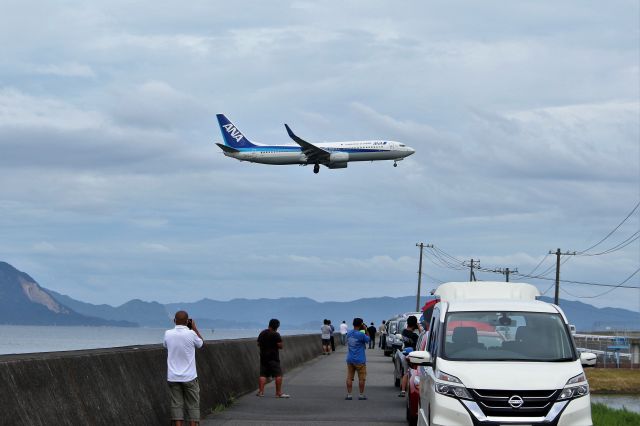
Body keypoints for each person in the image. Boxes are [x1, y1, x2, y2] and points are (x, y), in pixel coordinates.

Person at [163, 310, 204, 426]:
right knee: (193, 406)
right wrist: (194, 328)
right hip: (189, 377)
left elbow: (165, 345)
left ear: (174, 321)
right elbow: (201, 344)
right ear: (187, 321)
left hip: (173, 377)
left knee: (176, 406)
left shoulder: (167, 333)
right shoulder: (191, 334)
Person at [257, 318, 290, 398]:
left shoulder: (262, 333)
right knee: (278, 375)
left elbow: (258, 343)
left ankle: (261, 392)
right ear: (277, 326)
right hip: (273, 358)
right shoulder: (276, 334)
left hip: (264, 357)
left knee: (263, 375)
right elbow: (280, 346)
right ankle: (278, 393)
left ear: (269, 324)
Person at [345, 317, 370, 400]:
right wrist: (366, 329)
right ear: (361, 324)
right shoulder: (361, 334)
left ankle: (349, 395)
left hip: (350, 359)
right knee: (361, 378)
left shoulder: (348, 333)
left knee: (349, 377)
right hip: (360, 360)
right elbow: (368, 340)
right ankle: (361, 394)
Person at [398, 315, 420, 397]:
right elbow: (422, 337)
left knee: (405, 373)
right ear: (415, 324)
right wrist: (419, 327)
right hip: (413, 355)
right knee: (415, 373)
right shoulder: (414, 336)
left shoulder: (403, 332)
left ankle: (403, 391)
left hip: (405, 353)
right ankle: (413, 389)